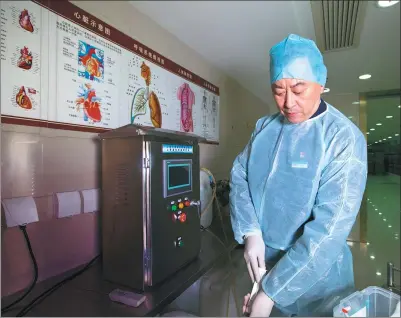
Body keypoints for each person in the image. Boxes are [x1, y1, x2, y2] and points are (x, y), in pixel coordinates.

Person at [229, 34, 368, 317]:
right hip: (264, 267)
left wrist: (271, 292)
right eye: (278, 90)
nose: (288, 102)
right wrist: (251, 232)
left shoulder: (342, 139)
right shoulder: (264, 128)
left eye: (298, 88)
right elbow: (239, 173)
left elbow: (328, 232)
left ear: (321, 84)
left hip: (319, 283)